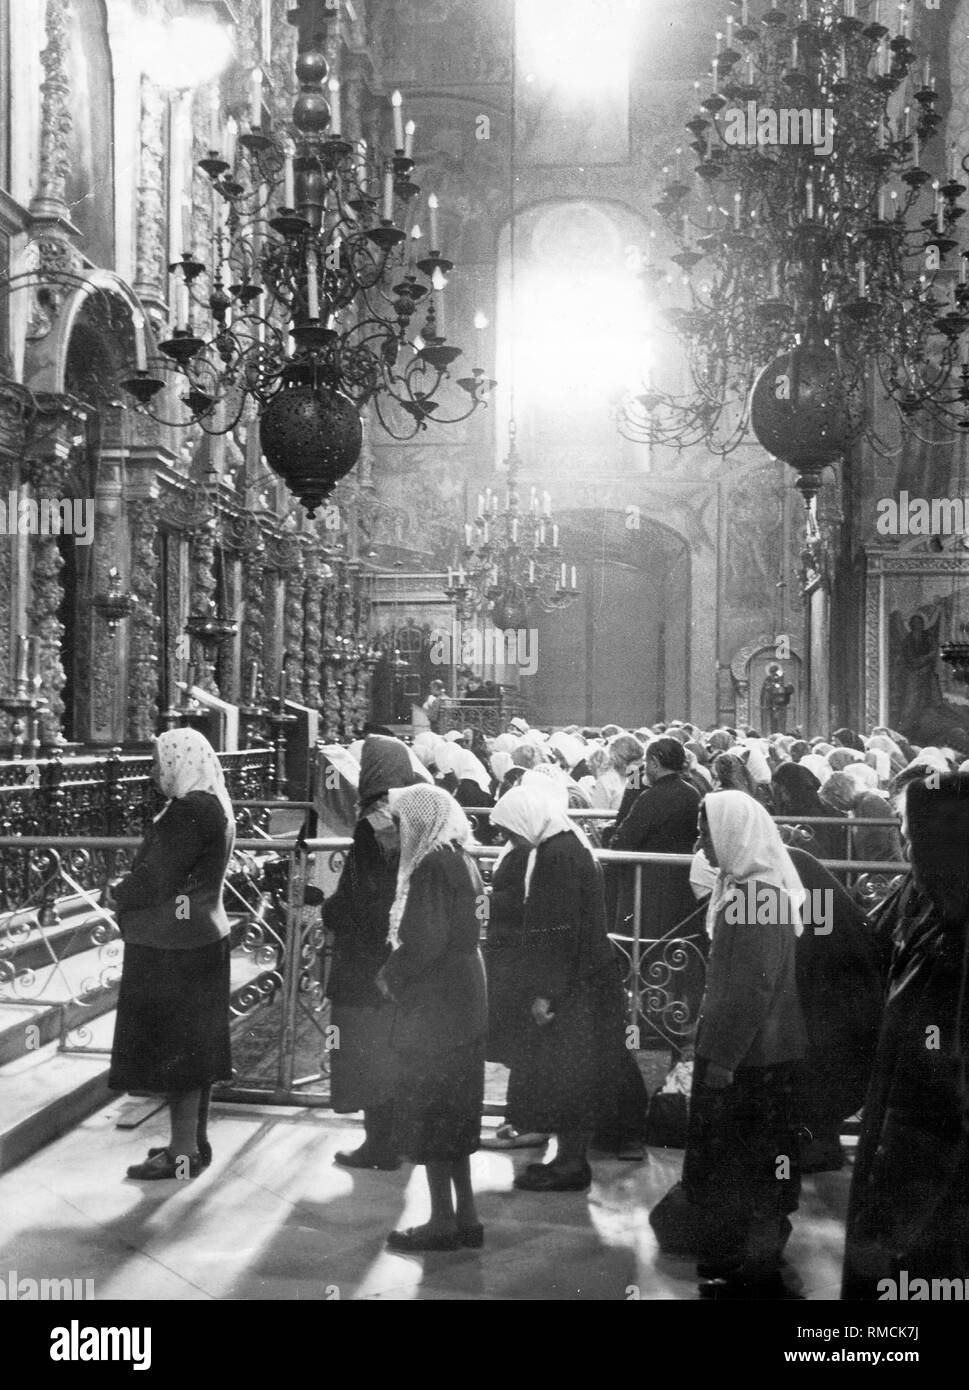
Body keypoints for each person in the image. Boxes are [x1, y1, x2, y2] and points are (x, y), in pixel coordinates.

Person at [650, 791, 807, 1298]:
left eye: (705, 832)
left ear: (733, 833)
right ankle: (741, 1261)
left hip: (753, 1056)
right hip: (749, 1051)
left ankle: (755, 1276)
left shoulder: (757, 894)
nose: (699, 841)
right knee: (749, 1161)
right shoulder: (744, 885)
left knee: (753, 1163)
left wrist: (724, 1060)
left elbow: (751, 990)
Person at [842, 772, 969, 1298]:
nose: (905, 843)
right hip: (899, 1110)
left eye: (914, 832)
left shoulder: (958, 930)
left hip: (932, 1133)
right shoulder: (923, 898)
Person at [489, 782, 642, 1188]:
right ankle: (567, 1161)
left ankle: (570, 1166)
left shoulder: (555, 855)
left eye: (510, 830)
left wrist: (544, 993)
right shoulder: (568, 844)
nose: (510, 839)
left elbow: (557, 932)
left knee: (571, 1077)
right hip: (588, 981)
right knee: (575, 1074)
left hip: (573, 988)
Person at [108, 729, 235, 1180]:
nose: (154, 770)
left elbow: (158, 879)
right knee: (193, 1050)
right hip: (200, 936)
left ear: (179, 760)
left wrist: (117, 892)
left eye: (160, 760)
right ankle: (192, 1145)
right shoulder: (212, 801)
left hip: (174, 946)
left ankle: (181, 1153)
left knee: (179, 1052)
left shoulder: (189, 810)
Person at [377, 785, 488, 1252]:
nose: (397, 832)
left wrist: (390, 974)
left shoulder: (432, 866)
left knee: (434, 1111)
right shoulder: (461, 856)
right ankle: (466, 1215)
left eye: (401, 822)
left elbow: (424, 939)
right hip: (465, 993)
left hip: (437, 1001)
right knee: (456, 1113)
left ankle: (442, 1221)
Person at [324, 735, 421, 1170]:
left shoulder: (373, 824)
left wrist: (328, 909)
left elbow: (363, 900)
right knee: (394, 1049)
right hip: (398, 954)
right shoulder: (410, 814)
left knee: (366, 1051)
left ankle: (378, 1145)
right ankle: (397, 1139)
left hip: (366, 959)